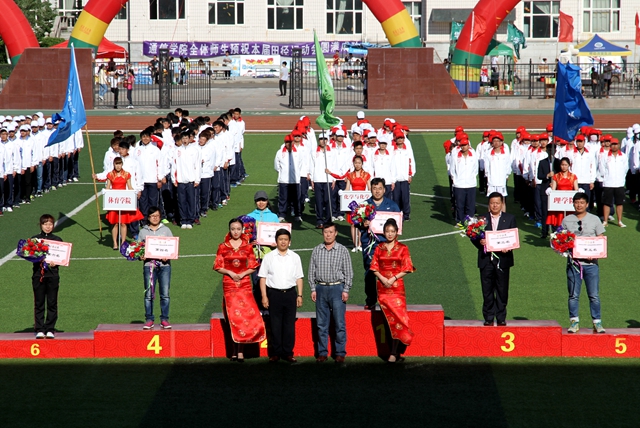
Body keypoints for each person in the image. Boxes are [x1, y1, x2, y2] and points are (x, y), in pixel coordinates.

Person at [215, 218, 266, 362]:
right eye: (233, 229)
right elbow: (217, 266)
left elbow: (254, 265)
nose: (236, 232)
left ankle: (240, 351)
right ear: (229, 230)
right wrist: (230, 273)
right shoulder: (223, 246)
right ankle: (233, 350)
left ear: (242, 229)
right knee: (232, 317)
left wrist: (242, 274)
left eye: (238, 229)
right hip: (229, 284)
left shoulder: (247, 246)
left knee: (244, 317)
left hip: (244, 284)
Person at [369, 218, 416, 363]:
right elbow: (373, 267)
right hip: (383, 288)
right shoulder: (379, 248)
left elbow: (408, 267)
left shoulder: (403, 248)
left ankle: (394, 352)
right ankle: (393, 351)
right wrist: (383, 279)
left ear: (397, 232)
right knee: (387, 320)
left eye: (392, 231)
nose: (390, 234)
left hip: (397, 289)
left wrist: (393, 278)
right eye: (387, 231)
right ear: (383, 232)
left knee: (399, 319)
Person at [308, 222, 353, 363]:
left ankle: (340, 352)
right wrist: (313, 288)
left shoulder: (342, 250)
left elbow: (348, 272)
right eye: (326, 232)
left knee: (339, 323)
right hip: (321, 288)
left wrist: (346, 290)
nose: (328, 235)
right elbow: (311, 271)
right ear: (323, 233)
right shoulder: (317, 250)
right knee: (321, 324)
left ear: (336, 233)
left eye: (331, 232)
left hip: (337, 288)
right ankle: (322, 352)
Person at [562, 192, 606, 334]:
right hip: (573, 265)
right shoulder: (567, 220)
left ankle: (597, 322)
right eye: (576, 202)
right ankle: (574, 322)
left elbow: (600, 239)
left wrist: (594, 254)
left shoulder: (595, 219)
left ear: (587, 204)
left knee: (594, 295)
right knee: (573, 295)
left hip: (591, 265)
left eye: (582, 202)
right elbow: (561, 239)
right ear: (573, 204)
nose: (579, 205)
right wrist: (563, 248)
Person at [258, 228, 303, 363]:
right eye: (280, 239)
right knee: (275, 324)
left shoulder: (295, 257)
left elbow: (299, 277)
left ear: (289, 242)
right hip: (274, 294)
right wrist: (264, 296)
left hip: (290, 294)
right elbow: (262, 278)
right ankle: (275, 353)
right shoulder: (269, 257)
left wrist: (300, 295)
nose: (283, 242)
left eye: (285, 239)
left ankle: (288, 353)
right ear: (276, 241)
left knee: (289, 325)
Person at [472, 192, 517, 326]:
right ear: (489, 204)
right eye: (492, 203)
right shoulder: (481, 219)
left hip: (503, 260)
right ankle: (488, 317)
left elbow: (513, 238)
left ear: (502, 204)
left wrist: (508, 247)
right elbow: (473, 236)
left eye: (497, 203)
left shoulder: (510, 218)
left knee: (502, 290)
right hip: (486, 260)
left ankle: (501, 317)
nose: (495, 205)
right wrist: (480, 242)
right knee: (487, 290)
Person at [359, 178, 400, 309]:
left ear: (384, 190)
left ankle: (388, 300)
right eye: (374, 188)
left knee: (388, 272)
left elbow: (398, 225)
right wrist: (363, 223)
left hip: (387, 245)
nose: (377, 191)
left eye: (380, 188)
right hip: (369, 245)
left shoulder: (392, 206)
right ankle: (371, 300)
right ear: (370, 189)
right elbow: (356, 223)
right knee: (370, 271)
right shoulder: (364, 205)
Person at [139, 206, 173, 330]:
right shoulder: (143, 232)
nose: (155, 218)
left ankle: (164, 319)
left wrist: (168, 256)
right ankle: (149, 319)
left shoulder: (166, 230)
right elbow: (138, 249)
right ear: (148, 218)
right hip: (149, 266)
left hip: (165, 266)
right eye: (152, 216)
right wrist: (140, 256)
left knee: (165, 294)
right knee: (148, 294)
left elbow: (172, 248)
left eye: (157, 216)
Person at [31, 214, 63, 339]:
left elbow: (62, 257)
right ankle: (39, 328)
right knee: (39, 302)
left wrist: (56, 262)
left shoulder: (58, 240)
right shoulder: (35, 240)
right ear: (41, 225)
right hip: (38, 275)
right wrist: (37, 259)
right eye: (45, 224)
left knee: (52, 302)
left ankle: (50, 328)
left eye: (50, 224)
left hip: (53, 275)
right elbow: (30, 256)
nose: (48, 227)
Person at [105, 157, 144, 249]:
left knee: (123, 223)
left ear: (122, 164)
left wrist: (134, 193)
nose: (118, 166)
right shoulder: (110, 175)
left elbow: (129, 186)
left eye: (119, 164)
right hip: (114, 201)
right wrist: (105, 194)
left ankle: (123, 242)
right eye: (116, 164)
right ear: (114, 164)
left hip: (123, 200)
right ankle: (115, 243)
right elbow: (108, 187)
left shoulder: (126, 174)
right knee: (115, 223)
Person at [599, 138, 628, 228]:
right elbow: (602, 168)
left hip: (619, 183)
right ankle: (605, 221)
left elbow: (625, 168)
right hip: (608, 183)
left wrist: (621, 177)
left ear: (619, 145)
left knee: (619, 203)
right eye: (613, 144)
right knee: (607, 203)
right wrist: (606, 177)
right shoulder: (605, 156)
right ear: (610, 145)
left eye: (616, 144)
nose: (614, 146)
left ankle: (619, 221)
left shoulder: (623, 156)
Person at [346, 155, 371, 252]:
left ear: (362, 164)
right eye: (356, 163)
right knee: (353, 224)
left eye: (359, 163)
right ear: (353, 163)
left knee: (361, 223)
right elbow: (347, 189)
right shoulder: (350, 175)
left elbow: (369, 188)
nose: (357, 164)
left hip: (362, 202)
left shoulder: (366, 175)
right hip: (353, 202)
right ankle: (355, 244)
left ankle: (360, 243)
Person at [450, 137, 478, 223]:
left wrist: (472, 178)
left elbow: (475, 169)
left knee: (470, 205)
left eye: (465, 145)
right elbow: (452, 170)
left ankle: (470, 222)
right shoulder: (455, 156)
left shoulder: (473, 156)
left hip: (471, 184)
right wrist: (456, 180)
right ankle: (460, 221)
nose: (463, 147)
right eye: (462, 145)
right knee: (460, 205)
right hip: (459, 185)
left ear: (468, 146)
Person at [545, 157, 579, 228]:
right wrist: (550, 190)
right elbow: (554, 189)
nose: (564, 167)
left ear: (569, 165)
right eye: (562, 165)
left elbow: (576, 189)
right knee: (559, 219)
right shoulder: (556, 176)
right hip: (560, 201)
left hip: (569, 201)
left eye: (565, 165)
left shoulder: (573, 176)